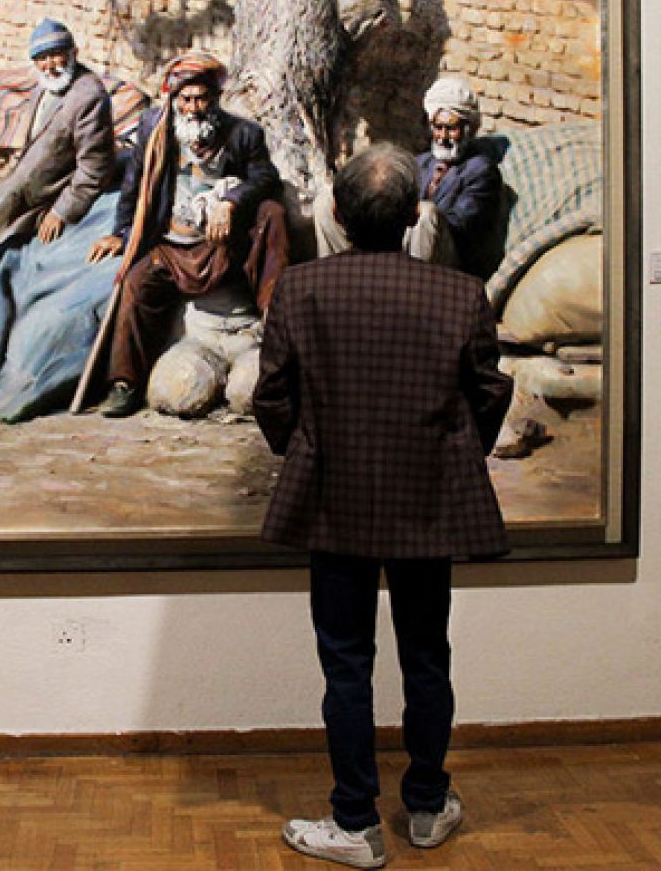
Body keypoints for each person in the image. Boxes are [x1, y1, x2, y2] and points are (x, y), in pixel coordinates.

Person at [254, 143, 513, 868]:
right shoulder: (459, 293)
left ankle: (355, 823)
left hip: (334, 498)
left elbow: (271, 396)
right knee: (427, 656)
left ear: (337, 212)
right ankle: (426, 807)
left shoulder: (300, 289)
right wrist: (455, 449)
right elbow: (490, 391)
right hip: (426, 499)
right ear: (410, 216)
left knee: (346, 664)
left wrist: (307, 446)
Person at [89, 52, 289, 418]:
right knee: (135, 284)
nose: (193, 108)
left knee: (271, 214)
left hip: (221, 243)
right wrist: (121, 232)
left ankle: (276, 329)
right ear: (173, 98)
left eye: (201, 99)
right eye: (186, 99)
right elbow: (134, 184)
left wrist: (230, 201)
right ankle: (125, 384)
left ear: (215, 99)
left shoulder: (243, 134)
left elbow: (265, 178)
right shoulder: (155, 130)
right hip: (171, 244)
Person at [0, 18, 116, 329]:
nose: (49, 65)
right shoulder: (46, 86)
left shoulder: (87, 95)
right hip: (23, 189)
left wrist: (62, 211)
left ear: (73, 53)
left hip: (49, 195)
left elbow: (94, 167)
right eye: (41, 58)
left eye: (56, 55)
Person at [313, 76, 504, 279]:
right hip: (402, 243)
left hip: (449, 260)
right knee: (327, 200)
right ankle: (336, 276)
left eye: (451, 129)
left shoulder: (481, 171)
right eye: (438, 127)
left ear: (469, 130)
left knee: (426, 214)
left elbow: (462, 225)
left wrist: (415, 211)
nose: (442, 137)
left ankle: (413, 287)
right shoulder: (421, 162)